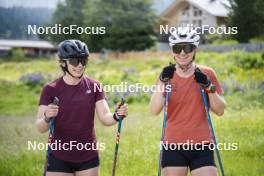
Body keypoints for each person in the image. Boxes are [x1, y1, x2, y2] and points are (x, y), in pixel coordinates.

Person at [36, 39, 128, 176]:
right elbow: (40, 128)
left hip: (88, 156)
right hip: (59, 155)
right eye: (74, 61)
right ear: (62, 62)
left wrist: (116, 115)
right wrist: (47, 117)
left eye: (83, 60)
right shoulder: (50, 89)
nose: (80, 65)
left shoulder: (94, 85)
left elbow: (105, 118)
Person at [150, 28, 226, 176]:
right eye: (178, 48)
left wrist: (208, 86)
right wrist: (162, 83)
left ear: (195, 49)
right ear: (172, 51)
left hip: (202, 144)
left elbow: (220, 110)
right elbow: (154, 110)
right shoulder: (166, 76)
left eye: (188, 47)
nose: (183, 53)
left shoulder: (207, 73)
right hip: (173, 145)